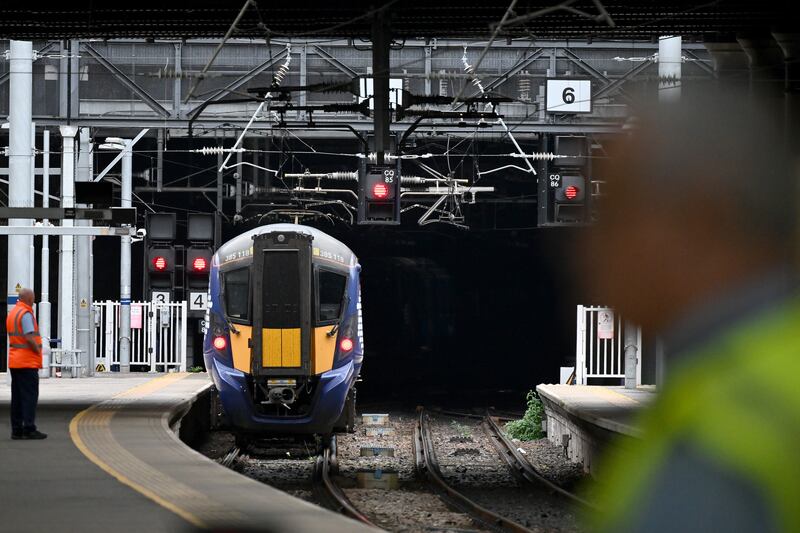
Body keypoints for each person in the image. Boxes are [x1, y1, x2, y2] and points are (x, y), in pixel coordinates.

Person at [583, 91, 800, 532]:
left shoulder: (721, 440)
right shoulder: (765, 373)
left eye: (615, 219)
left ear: (702, 217)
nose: (586, 254)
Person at [6, 287, 46, 440]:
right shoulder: (26, 314)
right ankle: (29, 428)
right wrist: (37, 350)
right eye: (33, 298)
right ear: (29, 299)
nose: (34, 300)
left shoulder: (13, 313)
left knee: (16, 398)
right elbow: (29, 336)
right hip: (27, 362)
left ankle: (16, 430)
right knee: (29, 397)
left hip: (15, 361)